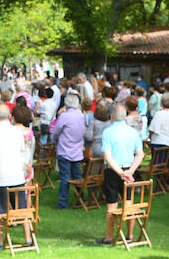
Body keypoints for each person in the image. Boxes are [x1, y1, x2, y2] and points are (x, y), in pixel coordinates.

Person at [0, 103, 34, 251]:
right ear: (9, 116)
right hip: (16, 176)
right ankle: (28, 238)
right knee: (21, 208)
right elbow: (22, 150)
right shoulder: (18, 132)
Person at [95, 99, 143, 246]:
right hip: (129, 169)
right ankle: (129, 235)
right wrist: (130, 171)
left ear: (112, 116)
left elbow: (107, 156)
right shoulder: (133, 131)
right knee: (128, 204)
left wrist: (120, 172)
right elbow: (140, 154)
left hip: (113, 171)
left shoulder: (108, 132)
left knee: (111, 205)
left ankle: (109, 237)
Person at [50, 93, 86, 210]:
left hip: (65, 149)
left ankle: (63, 202)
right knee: (77, 177)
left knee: (65, 178)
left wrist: (56, 140)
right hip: (77, 150)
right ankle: (80, 199)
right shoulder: (81, 116)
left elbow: (56, 132)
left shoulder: (64, 116)